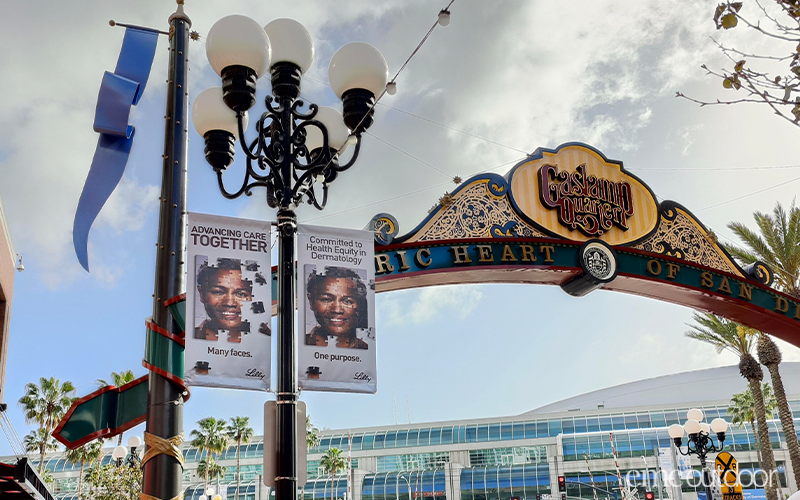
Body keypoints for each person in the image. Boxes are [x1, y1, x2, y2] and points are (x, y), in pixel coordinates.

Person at [305, 267, 368, 349]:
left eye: (347, 301)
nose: (337, 310)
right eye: (326, 299)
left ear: (359, 305)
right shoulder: (297, 345)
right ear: (311, 302)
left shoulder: (365, 350)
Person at [195, 258, 252, 343]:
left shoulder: (264, 341)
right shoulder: (185, 339)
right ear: (202, 294)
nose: (229, 303)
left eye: (241, 294)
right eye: (218, 292)